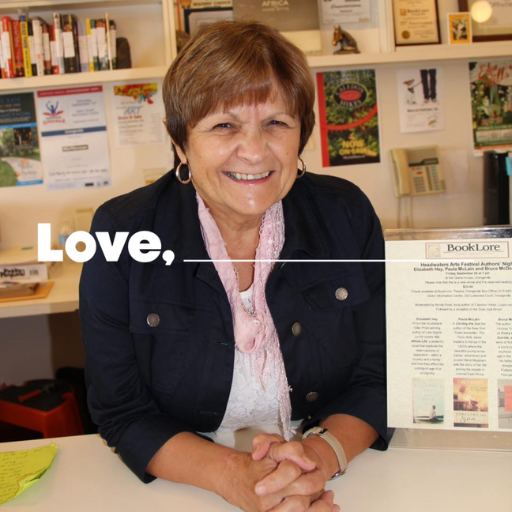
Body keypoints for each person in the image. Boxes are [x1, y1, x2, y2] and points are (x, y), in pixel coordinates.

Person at [80, 20, 389, 512]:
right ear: (180, 141)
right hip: (185, 486)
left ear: (301, 135)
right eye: (224, 125)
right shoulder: (120, 233)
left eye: (276, 123)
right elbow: (122, 411)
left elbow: (381, 376)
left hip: (340, 472)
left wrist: (315, 458)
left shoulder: (346, 216)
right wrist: (237, 477)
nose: (254, 150)